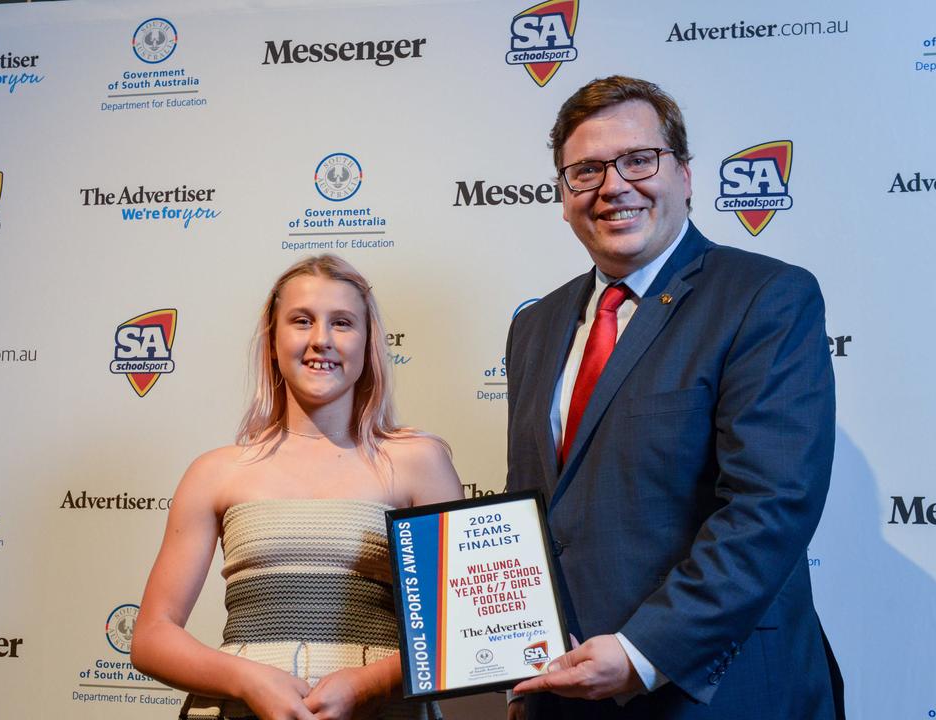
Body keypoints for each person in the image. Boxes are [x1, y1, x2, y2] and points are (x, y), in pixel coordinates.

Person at [505, 76, 844, 719]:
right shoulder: (536, 325)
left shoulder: (765, 297)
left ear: (685, 175)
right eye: (586, 170)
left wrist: (642, 653)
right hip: (567, 693)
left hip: (714, 690)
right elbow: (541, 510)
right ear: (563, 194)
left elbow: (769, 507)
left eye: (638, 159)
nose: (613, 186)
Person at [132, 254, 462, 720]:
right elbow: (151, 638)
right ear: (273, 340)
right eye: (301, 321)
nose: (320, 340)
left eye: (343, 323)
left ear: (368, 344)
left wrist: (365, 685)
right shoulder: (215, 472)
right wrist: (249, 679)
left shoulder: (418, 463)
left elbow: (459, 632)